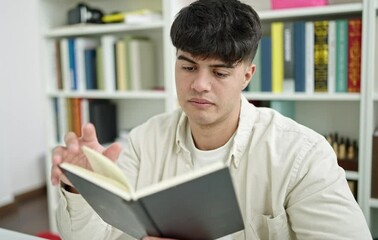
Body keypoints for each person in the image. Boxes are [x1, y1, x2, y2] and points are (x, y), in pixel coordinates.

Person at [50, 0, 372, 239]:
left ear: (247, 75)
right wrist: (83, 190)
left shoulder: (302, 155)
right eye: (188, 67)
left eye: (219, 71)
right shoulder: (144, 141)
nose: (200, 84)